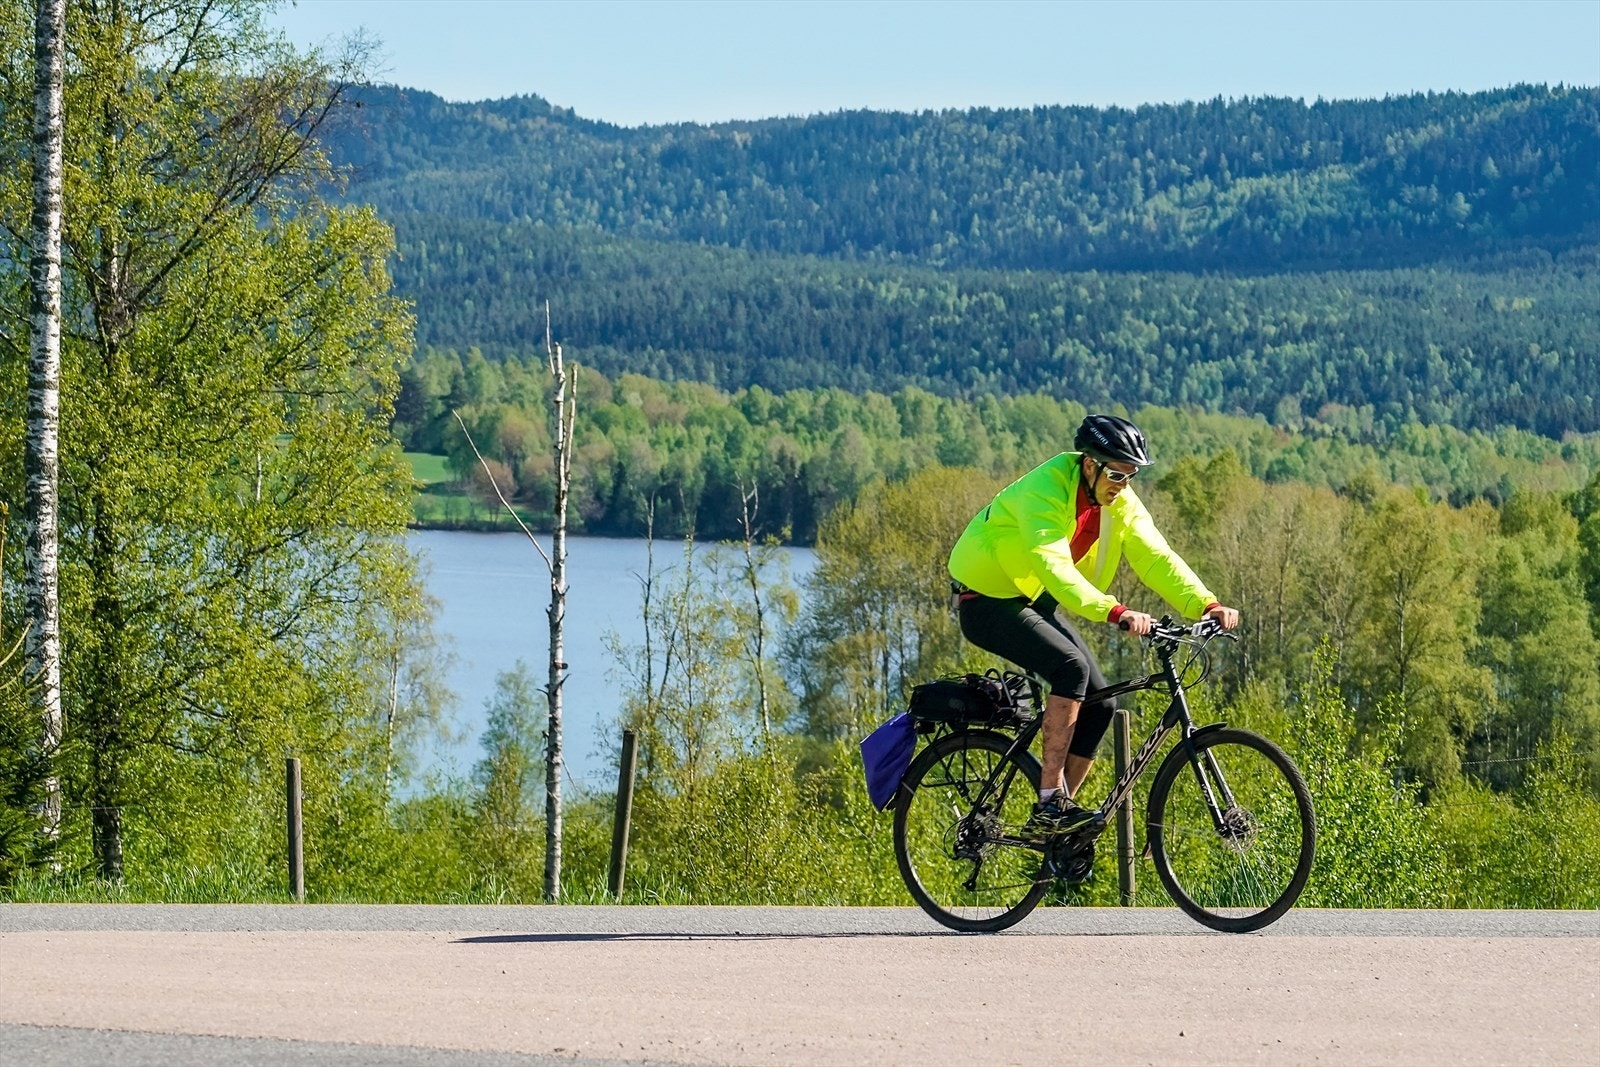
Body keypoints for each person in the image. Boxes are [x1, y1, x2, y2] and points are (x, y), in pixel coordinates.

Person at [947, 414, 1239, 836]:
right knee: (1071, 668)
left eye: (1131, 475)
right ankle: (1050, 802)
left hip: (1033, 599)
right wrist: (1115, 611)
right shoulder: (1043, 491)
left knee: (1102, 702)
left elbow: (1156, 557)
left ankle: (1062, 825)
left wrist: (1206, 603)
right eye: (1117, 473)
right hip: (986, 600)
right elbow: (1056, 569)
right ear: (1089, 464)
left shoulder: (1119, 501)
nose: (1123, 484)